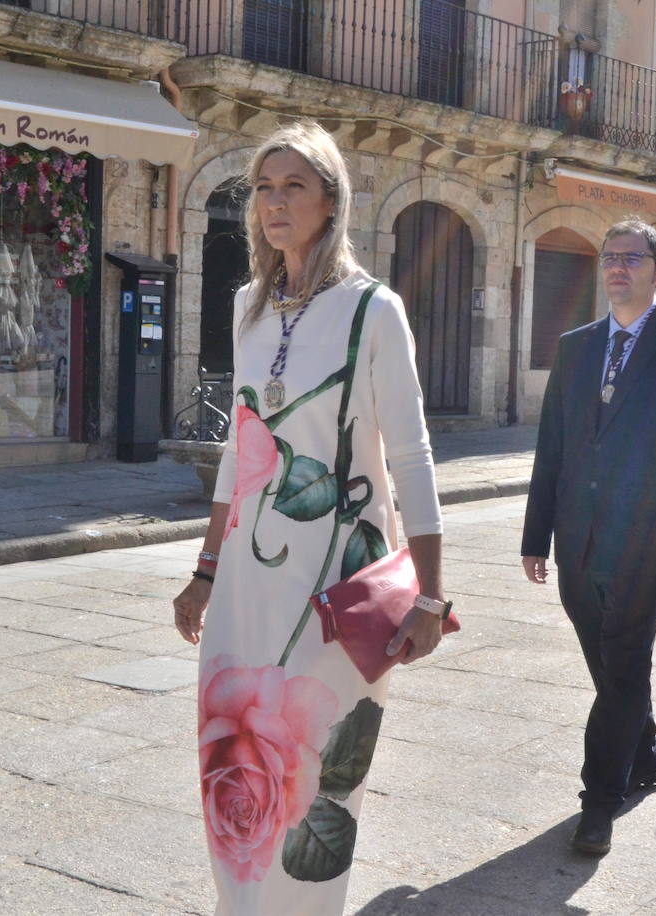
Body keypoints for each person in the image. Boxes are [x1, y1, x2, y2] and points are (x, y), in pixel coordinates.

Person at [171, 121, 447, 915]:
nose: (274, 202)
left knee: (315, 776)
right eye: (263, 187)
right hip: (246, 589)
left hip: (336, 586)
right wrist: (204, 571)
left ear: (332, 201)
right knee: (232, 762)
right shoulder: (247, 309)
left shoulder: (373, 310)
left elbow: (414, 459)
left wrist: (431, 594)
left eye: (294, 185)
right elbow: (240, 451)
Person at [521, 219, 656, 856]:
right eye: (610, 257)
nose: (618, 268)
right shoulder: (576, 346)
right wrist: (535, 536)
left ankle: (598, 802)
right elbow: (551, 445)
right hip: (577, 539)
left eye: (632, 258)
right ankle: (643, 751)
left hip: (647, 541)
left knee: (625, 658)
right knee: (610, 666)